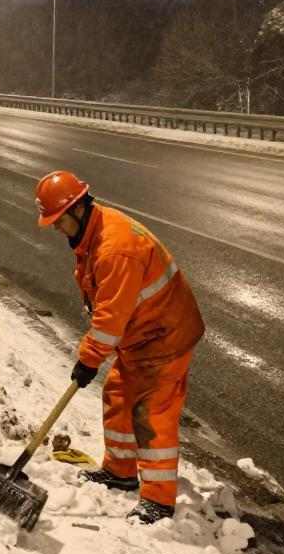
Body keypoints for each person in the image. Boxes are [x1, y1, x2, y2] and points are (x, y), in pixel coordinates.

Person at [35, 170, 205, 524]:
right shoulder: (93, 234)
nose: (55, 228)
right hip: (140, 333)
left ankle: (158, 501)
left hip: (164, 335)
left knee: (150, 411)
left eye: (58, 220)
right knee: (118, 394)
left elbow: (110, 317)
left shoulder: (115, 249)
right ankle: (121, 471)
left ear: (77, 209)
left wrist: (88, 360)